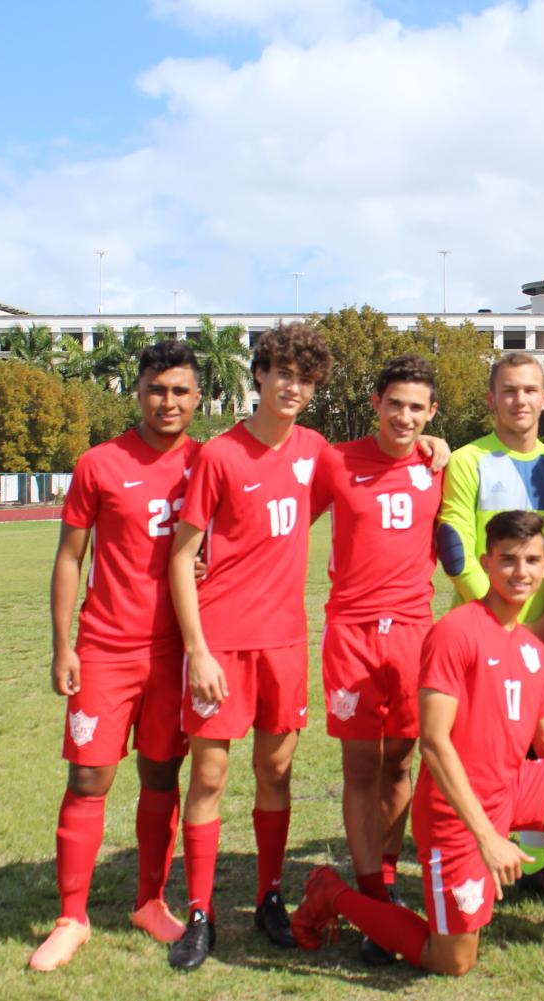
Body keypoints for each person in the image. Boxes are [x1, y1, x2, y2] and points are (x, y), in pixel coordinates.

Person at [292, 511, 544, 970]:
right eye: (509, 560)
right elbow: (434, 744)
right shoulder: (455, 632)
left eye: (533, 560)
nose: (522, 571)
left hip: (512, 788)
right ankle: (331, 893)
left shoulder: (532, 649)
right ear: (486, 563)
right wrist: (487, 837)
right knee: (451, 961)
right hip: (457, 813)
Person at [30, 340, 203, 971]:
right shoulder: (100, 463)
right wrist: (63, 645)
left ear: (198, 398)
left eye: (180, 390)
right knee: (89, 777)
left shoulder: (208, 463)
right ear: (138, 392)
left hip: (176, 653)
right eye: (157, 388)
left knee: (161, 774)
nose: (168, 401)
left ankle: (148, 902)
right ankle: (71, 917)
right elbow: (70, 556)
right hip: (105, 648)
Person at [165, 322, 333, 970]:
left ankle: (267, 898)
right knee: (208, 774)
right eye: (282, 372)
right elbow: (183, 555)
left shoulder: (316, 450)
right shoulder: (220, 455)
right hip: (221, 645)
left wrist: (430, 442)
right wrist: (197, 648)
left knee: (276, 772)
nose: (293, 386)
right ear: (259, 374)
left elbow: (377, 462)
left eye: (305, 377)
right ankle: (201, 911)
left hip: (284, 644)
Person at [314, 354, 445, 965]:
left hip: (416, 635)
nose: (405, 416)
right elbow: (277, 522)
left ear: (432, 413)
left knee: (402, 764)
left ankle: (385, 879)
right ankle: (373, 899)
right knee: (362, 765)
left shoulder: (437, 465)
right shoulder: (336, 461)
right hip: (354, 633)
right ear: (376, 404)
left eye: (418, 407)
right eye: (396, 404)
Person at [436, 351, 544, 902]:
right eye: (509, 391)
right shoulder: (468, 461)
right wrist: (501, 627)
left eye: (529, 390)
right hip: (476, 642)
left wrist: (541, 626)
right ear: (492, 399)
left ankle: (535, 861)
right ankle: (474, 851)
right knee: (473, 753)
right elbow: (455, 549)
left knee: (541, 756)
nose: (520, 400)